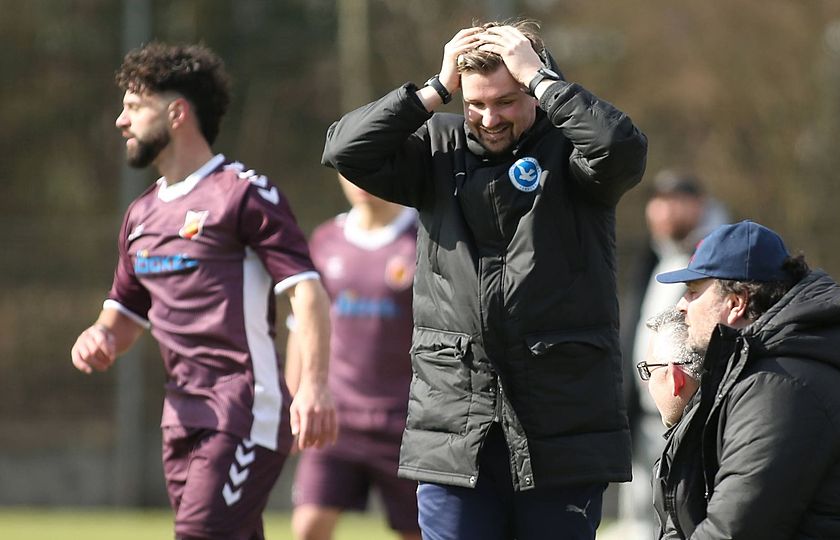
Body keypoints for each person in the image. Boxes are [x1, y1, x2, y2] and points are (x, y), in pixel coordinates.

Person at [321, 19, 648, 540]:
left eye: (506, 101)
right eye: (475, 103)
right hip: (454, 427)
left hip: (559, 430)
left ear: (536, 90)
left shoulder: (573, 151)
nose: (489, 118)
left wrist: (541, 79)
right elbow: (346, 149)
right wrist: (435, 88)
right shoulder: (437, 147)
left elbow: (622, 149)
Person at [69, 42, 337, 540]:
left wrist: (314, 386)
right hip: (180, 417)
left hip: (243, 409)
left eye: (134, 106)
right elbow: (124, 313)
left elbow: (307, 291)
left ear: (177, 113)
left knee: (200, 534)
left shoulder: (243, 194)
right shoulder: (140, 215)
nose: (121, 121)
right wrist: (100, 335)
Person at [651, 219, 840, 539]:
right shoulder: (781, 373)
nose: (681, 306)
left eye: (693, 292)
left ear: (736, 303)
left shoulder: (781, 386)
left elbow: (735, 532)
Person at [287, 174, 420, 540]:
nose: (359, 178)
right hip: (336, 419)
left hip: (407, 423)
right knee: (308, 527)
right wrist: (295, 396)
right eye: (349, 168)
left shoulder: (425, 236)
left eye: (368, 165)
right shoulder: (326, 239)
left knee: (420, 532)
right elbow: (302, 327)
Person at [610, 170, 727, 540]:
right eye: (658, 202)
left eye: (675, 201)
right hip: (645, 418)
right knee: (641, 521)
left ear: (700, 205)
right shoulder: (652, 259)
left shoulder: (720, 258)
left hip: (696, 419)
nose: (664, 211)